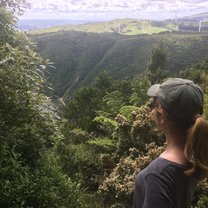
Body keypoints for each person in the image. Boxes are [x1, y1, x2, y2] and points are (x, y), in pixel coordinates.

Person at [132, 78, 208, 208]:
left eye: (154, 105)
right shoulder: (193, 158)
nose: (151, 109)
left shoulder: (157, 176)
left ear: (161, 116)